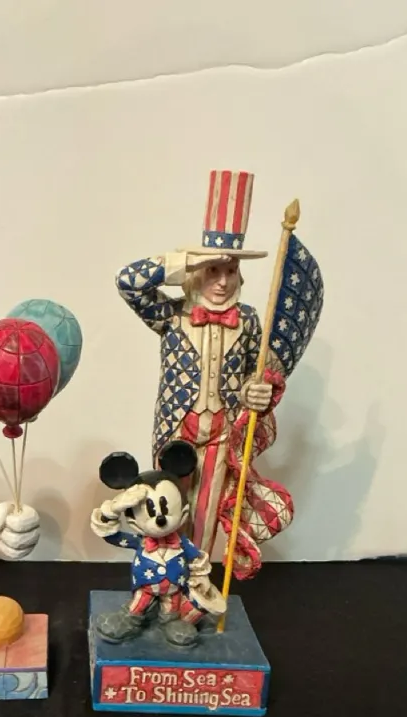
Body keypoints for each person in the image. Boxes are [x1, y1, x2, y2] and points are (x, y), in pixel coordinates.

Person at [115, 169, 293, 576]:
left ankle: (195, 581)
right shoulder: (171, 315)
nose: (222, 281)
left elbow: (259, 372)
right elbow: (127, 282)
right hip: (177, 431)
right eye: (212, 270)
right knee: (166, 505)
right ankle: (163, 579)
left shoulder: (248, 320)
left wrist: (256, 391)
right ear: (196, 272)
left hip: (221, 433)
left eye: (230, 270)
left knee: (208, 509)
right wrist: (182, 261)